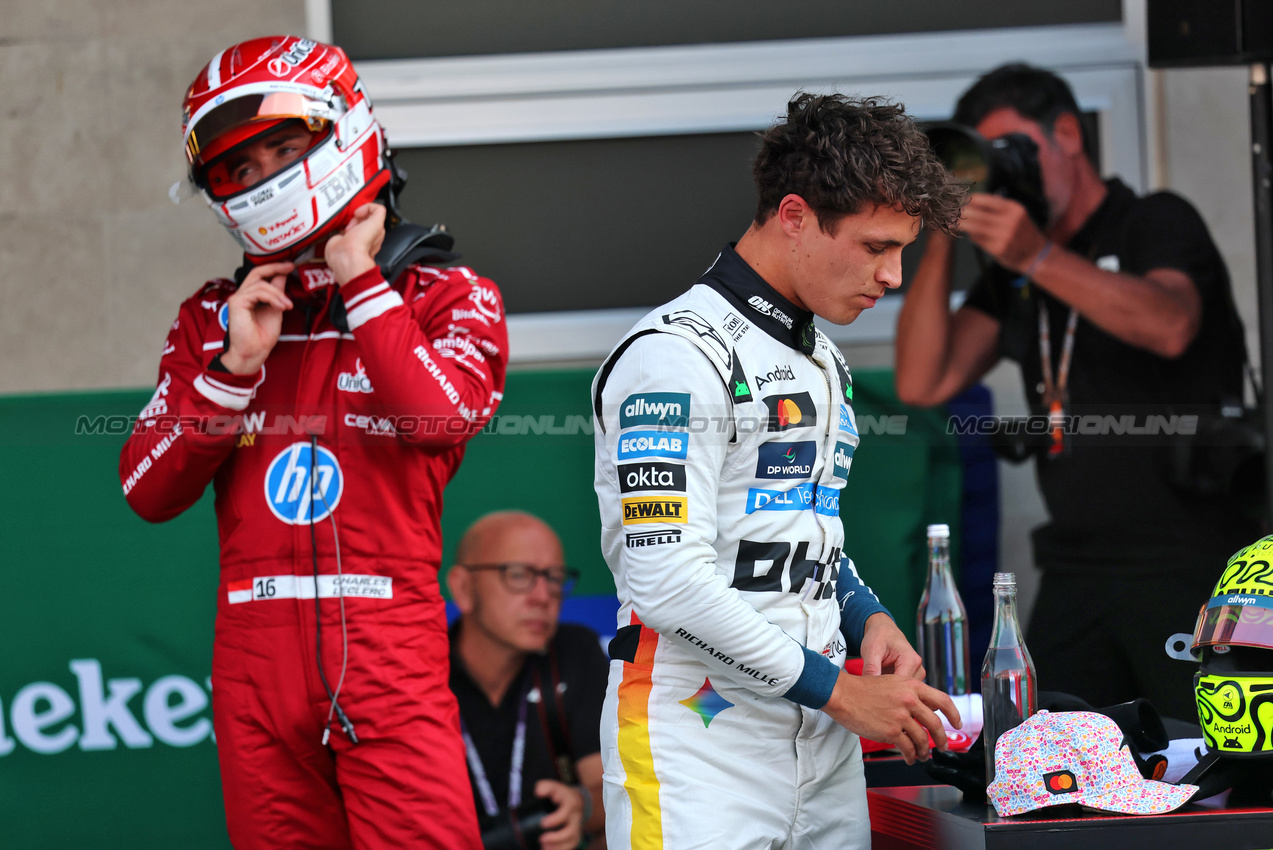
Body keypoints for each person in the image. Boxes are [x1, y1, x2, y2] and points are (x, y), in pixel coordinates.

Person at [119, 36, 507, 848]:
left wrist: (361, 285)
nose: (262, 177)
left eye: (283, 149)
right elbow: (147, 491)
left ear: (344, 133)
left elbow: (439, 420)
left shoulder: (446, 294)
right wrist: (233, 369)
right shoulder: (212, 319)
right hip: (252, 669)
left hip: (388, 654)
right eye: (238, 169)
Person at [591, 93, 966, 849]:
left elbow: (802, 524)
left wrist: (867, 617)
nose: (892, 275)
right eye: (874, 246)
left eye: (903, 250)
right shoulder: (675, 354)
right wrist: (843, 695)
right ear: (793, 215)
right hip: (699, 741)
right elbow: (665, 580)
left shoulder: (821, 355)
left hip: (821, 741)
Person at [894, 63, 1259, 721]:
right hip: (1076, 568)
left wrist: (1037, 257)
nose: (1006, 172)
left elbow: (1170, 324)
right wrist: (942, 234)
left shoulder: (1150, 219)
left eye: (1014, 151)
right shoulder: (1010, 271)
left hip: (1189, 561)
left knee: (1211, 770)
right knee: (1049, 766)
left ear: (1066, 134)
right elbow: (925, 380)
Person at [447, 511, 609, 850]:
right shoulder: (421, 674)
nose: (542, 595)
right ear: (463, 588)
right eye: (518, 575)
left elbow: (611, 789)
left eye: (554, 577)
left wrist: (581, 806)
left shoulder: (574, 652)